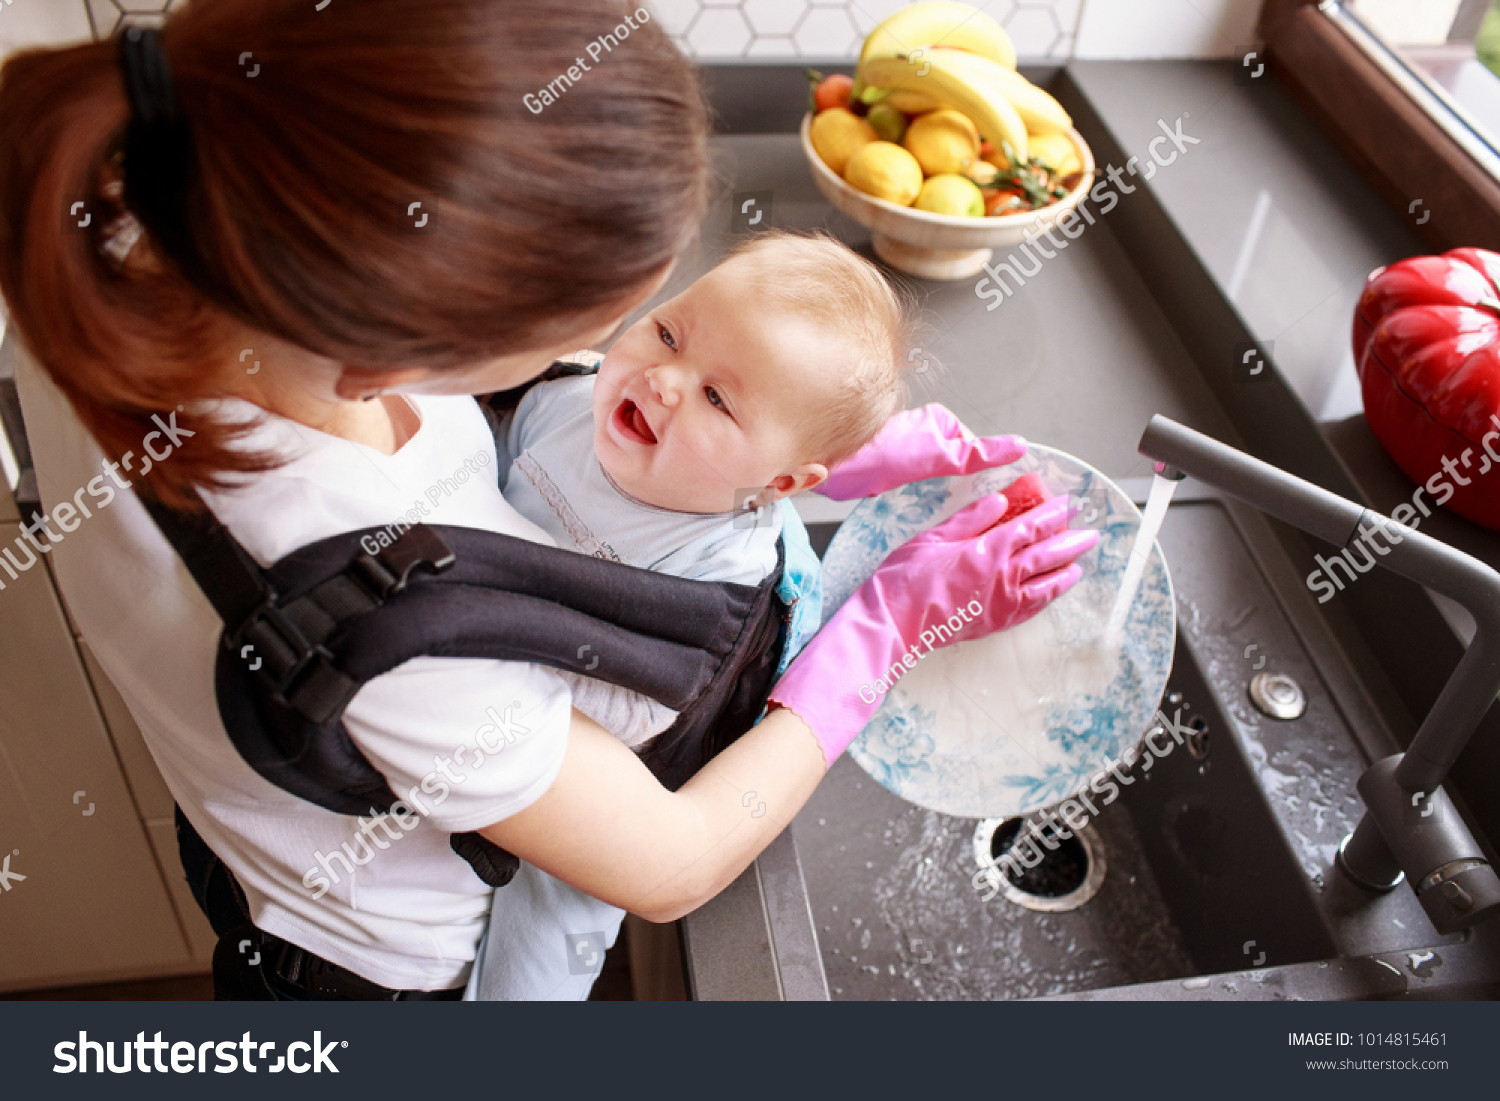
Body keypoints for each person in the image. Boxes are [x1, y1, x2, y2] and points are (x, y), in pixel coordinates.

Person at [0, 0, 1099, 1000]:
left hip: (247, 833)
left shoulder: (122, 206)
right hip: (354, 963)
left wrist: (794, 439)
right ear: (402, 350)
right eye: (646, 329)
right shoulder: (380, 624)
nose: (617, 372)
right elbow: (670, 861)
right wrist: (889, 625)